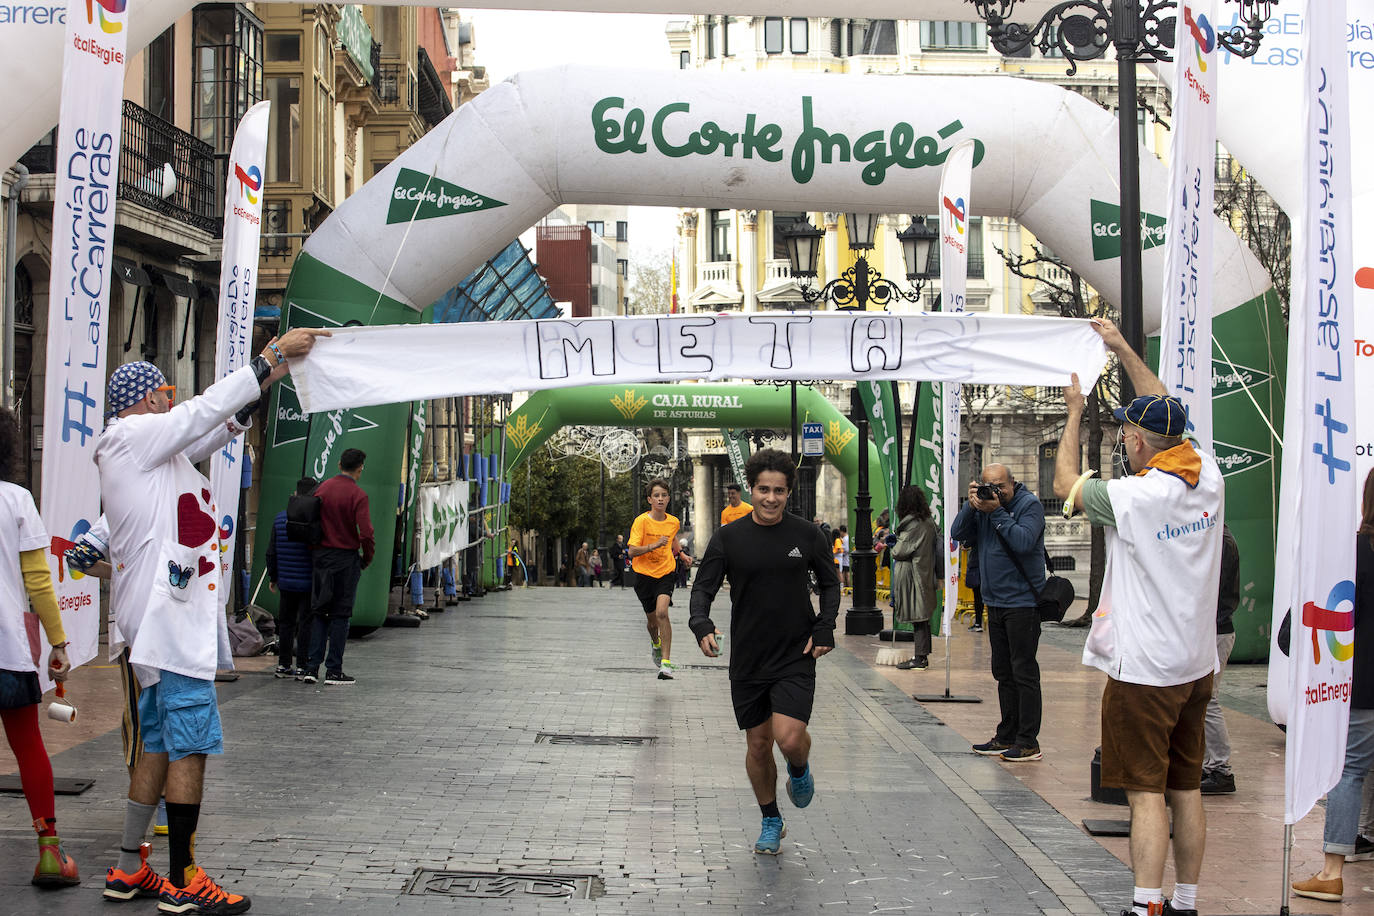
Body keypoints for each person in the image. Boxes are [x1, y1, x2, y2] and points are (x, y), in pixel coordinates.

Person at [96, 327, 326, 913]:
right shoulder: (131, 437)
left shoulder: (151, 452)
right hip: (167, 628)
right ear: (146, 400)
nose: (172, 402)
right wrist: (269, 357)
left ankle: (128, 869)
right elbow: (200, 413)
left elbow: (215, 424)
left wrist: (269, 377)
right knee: (189, 746)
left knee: (156, 745)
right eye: (164, 394)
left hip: (154, 624)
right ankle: (184, 879)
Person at [1054, 317, 1224, 916]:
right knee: (1187, 787)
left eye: (1128, 432)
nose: (1124, 440)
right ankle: (1188, 901)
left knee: (1145, 793)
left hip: (1145, 670)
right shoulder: (1208, 477)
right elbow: (1167, 410)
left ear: (1136, 442)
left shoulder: (1134, 498)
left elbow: (1065, 481)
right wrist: (1123, 347)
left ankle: (1146, 903)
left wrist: (1074, 413)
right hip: (1195, 665)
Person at [689, 449, 841, 856]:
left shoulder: (808, 535)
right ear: (750, 490)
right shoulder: (728, 537)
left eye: (778, 491)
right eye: (763, 490)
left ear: (789, 492)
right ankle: (771, 818)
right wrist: (701, 624)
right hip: (749, 657)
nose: (770, 498)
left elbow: (830, 583)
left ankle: (799, 767)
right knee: (758, 746)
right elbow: (702, 588)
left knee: (788, 738)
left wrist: (825, 624)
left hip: (796, 652)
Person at [0, 405, 78, 889]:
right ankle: (49, 852)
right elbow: (38, 581)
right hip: (6, 647)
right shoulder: (16, 500)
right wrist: (58, 643)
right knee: (28, 743)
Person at [1291, 467, 1374, 904]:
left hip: (1363, 683)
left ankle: (1331, 870)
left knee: (1350, 773)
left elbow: (1334, 613)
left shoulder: (1355, 551)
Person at [952, 463, 1048, 762]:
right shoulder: (983, 507)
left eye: (1000, 486)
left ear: (1012, 483)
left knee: (1024, 672)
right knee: (1003, 673)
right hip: (995, 602)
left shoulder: (1028, 505)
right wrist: (971, 507)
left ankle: (1028, 741)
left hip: (1022, 603)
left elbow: (1022, 542)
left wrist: (996, 512)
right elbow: (957, 533)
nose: (995, 491)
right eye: (988, 485)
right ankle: (1006, 734)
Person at [303, 448, 373, 687]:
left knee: (320, 611)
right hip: (345, 558)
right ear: (360, 468)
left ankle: (311, 667)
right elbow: (366, 533)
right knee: (341, 614)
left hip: (322, 557)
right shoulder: (358, 495)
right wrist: (366, 558)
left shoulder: (322, 488)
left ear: (339, 463)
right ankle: (334, 670)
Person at [628, 478, 691, 679]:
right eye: (656, 495)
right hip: (644, 575)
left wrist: (681, 554)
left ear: (669, 498)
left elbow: (672, 539)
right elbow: (631, 552)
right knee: (653, 622)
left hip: (665, 572)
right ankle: (655, 643)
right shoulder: (641, 522)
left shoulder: (673, 521)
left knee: (663, 613)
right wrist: (653, 546)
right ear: (649, 499)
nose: (661, 499)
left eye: (664, 495)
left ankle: (666, 663)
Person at [1200, 525, 1240, 795]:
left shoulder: (1220, 540)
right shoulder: (1217, 536)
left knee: (1206, 697)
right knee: (1201, 697)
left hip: (1214, 629)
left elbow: (1212, 587)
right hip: (1212, 627)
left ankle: (1220, 768)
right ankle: (1211, 764)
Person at [266, 477, 317, 679]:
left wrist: (273, 576)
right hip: (308, 582)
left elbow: (272, 551)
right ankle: (303, 665)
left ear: (295, 493)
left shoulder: (280, 518)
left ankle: (283, 664)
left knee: (286, 623)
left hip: (286, 581)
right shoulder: (314, 519)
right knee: (306, 623)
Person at [890, 485, 937, 671]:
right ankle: (922, 655)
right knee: (922, 617)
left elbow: (899, 551)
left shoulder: (913, 525)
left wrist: (893, 546)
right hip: (924, 571)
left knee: (918, 616)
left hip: (914, 575)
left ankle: (920, 658)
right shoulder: (928, 522)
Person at [965, 544, 985, 633]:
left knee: (978, 598)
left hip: (977, 568)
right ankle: (978, 623)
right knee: (981, 598)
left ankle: (978, 623)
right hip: (985, 567)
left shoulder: (976, 534)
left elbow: (967, 543)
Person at [833, 525, 850, 589]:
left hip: (844, 558)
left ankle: (843, 587)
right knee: (843, 573)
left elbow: (843, 549)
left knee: (843, 573)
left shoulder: (843, 539)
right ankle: (845, 587)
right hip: (843, 558)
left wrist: (834, 552)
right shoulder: (843, 539)